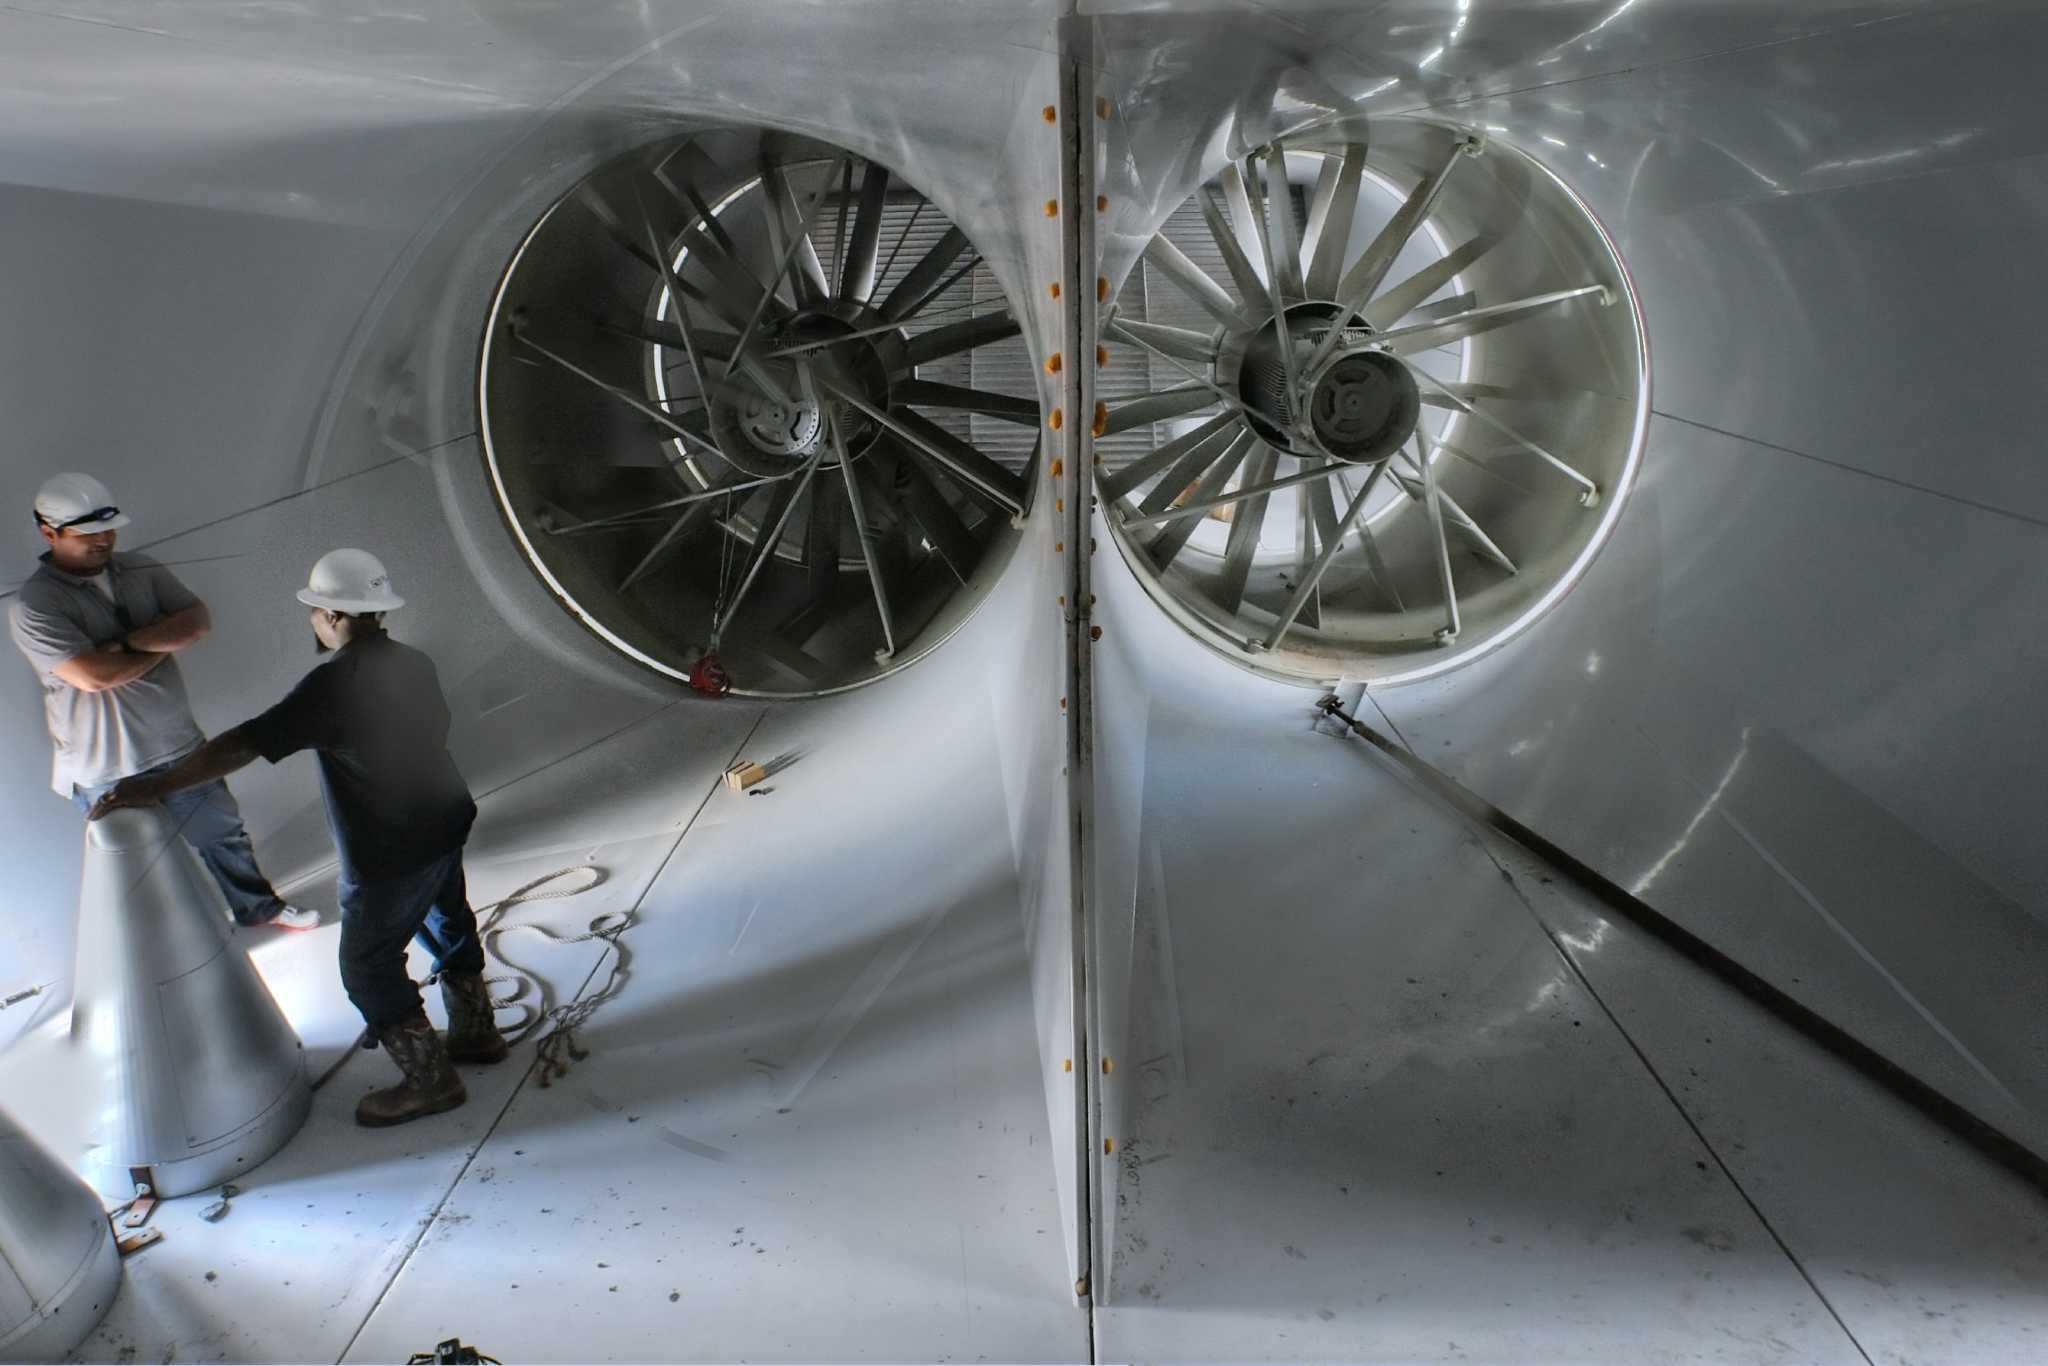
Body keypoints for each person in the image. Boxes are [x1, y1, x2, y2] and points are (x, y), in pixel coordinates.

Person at [91, 548, 509, 1127]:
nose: (314, 620)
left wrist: (157, 784)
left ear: (333, 615)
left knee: (366, 965)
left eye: (315, 611)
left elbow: (244, 742)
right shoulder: (413, 661)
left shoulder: (334, 684)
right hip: (443, 821)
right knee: (447, 919)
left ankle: (431, 1081)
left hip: (389, 850)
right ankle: (478, 1035)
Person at [9, 473, 317, 930]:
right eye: (88, 533)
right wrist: (157, 643)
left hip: (179, 745)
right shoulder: (34, 604)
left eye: (109, 530)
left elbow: (196, 622)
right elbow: (94, 677)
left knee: (223, 834)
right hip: (102, 768)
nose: (103, 540)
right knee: (135, 865)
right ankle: (175, 947)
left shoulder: (140, 568)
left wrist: (125, 645)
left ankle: (258, 909)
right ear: (48, 532)